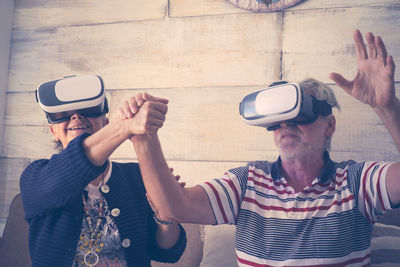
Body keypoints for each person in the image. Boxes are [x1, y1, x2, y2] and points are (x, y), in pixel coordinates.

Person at [122, 29, 400, 266]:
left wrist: (386, 107)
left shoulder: (357, 182)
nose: (286, 125)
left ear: (329, 126)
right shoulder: (247, 183)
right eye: (278, 118)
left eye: (301, 113)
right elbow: (174, 208)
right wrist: (142, 135)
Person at [19, 76, 186, 267]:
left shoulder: (138, 176)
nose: (75, 117)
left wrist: (165, 217)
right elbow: (69, 168)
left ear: (105, 123)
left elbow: (168, 253)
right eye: (62, 114)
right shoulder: (34, 177)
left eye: (88, 110)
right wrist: (125, 124)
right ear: (53, 131)